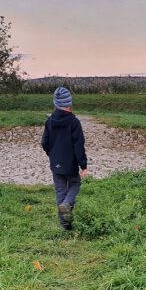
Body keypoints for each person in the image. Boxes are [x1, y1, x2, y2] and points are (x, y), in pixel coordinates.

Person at [41, 87, 88, 230]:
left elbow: (44, 142)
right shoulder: (74, 122)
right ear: (70, 103)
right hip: (71, 164)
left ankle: (64, 224)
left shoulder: (50, 121)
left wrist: (52, 154)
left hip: (56, 163)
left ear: (55, 104)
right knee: (75, 184)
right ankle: (67, 205)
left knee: (60, 190)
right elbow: (78, 146)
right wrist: (83, 165)